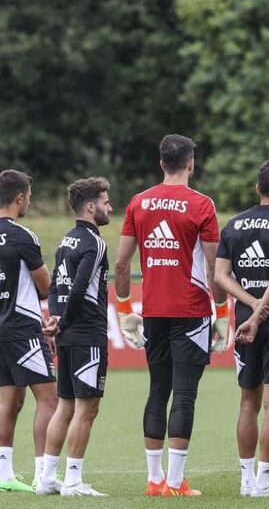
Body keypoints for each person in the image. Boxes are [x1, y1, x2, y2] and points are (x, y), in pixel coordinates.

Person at [114, 134, 230, 497]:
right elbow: (214, 266)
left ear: (162, 163)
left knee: (157, 390)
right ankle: (175, 483)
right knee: (184, 395)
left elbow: (120, 263)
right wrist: (223, 312)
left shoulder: (138, 202)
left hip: (153, 312)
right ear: (191, 163)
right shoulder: (202, 204)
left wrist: (122, 310)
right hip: (191, 311)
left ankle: (153, 479)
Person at [214, 160, 269, 497]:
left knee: (247, 402)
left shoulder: (234, 225)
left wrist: (250, 306)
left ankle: (245, 480)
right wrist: (261, 308)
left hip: (244, 327)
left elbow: (221, 277)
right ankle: (263, 483)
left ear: (257, 189)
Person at [37, 178, 113, 497]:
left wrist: (55, 320)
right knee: (87, 408)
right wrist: (64, 319)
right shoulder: (95, 243)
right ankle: (72, 481)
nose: (110, 207)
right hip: (87, 334)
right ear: (91, 207)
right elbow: (80, 288)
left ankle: (47, 479)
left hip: (67, 334)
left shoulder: (66, 240)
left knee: (65, 406)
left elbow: (55, 287)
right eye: (106, 202)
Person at [0, 170, 56, 493]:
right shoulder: (23, 236)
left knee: (9, 400)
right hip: (23, 328)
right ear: (19, 198)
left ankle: (5, 473)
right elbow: (45, 286)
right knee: (49, 399)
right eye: (29, 198)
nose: (30, 203)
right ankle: (42, 475)